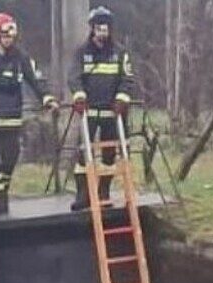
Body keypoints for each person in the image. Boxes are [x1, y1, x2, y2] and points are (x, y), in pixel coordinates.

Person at [0, 12, 59, 215]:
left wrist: (47, 98)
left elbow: (35, 80)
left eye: (11, 36)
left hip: (11, 117)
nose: (8, 40)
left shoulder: (21, 58)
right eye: (5, 36)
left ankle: (0, 195)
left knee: (9, 159)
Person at [67, 6, 134, 211]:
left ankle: (103, 192)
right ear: (92, 29)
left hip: (111, 113)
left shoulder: (120, 53)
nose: (103, 32)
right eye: (99, 28)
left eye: (106, 28)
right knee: (82, 154)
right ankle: (82, 195)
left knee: (108, 156)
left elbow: (127, 79)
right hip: (89, 112)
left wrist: (122, 99)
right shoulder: (82, 53)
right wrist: (79, 96)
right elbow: (74, 76)